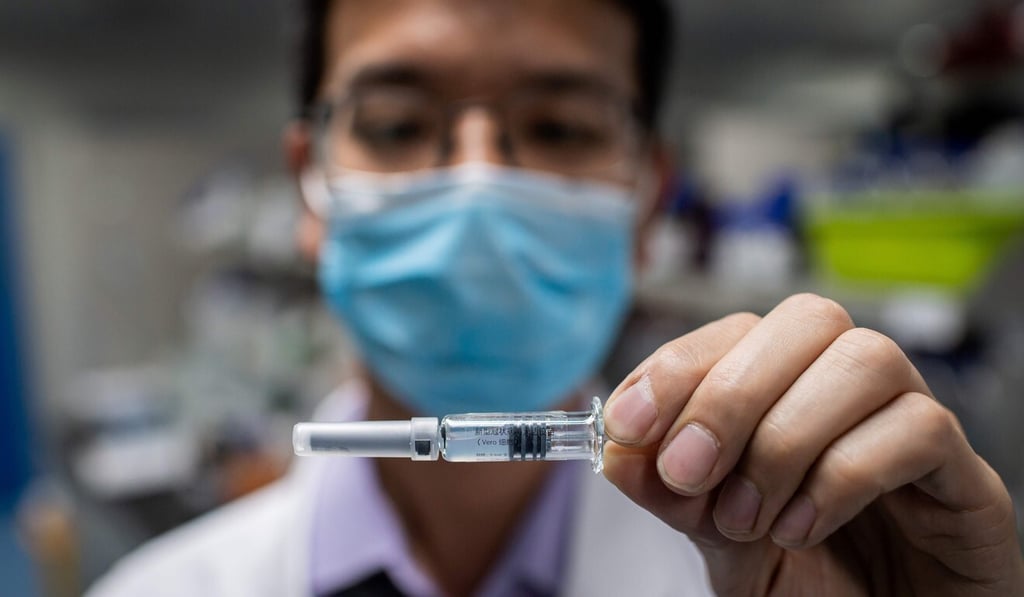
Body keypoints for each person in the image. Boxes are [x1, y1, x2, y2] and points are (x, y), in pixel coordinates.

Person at [88, 0, 1024, 595]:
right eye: (400, 123)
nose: (480, 185)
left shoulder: (785, 566)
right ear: (311, 184)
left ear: (648, 193)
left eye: (560, 126)